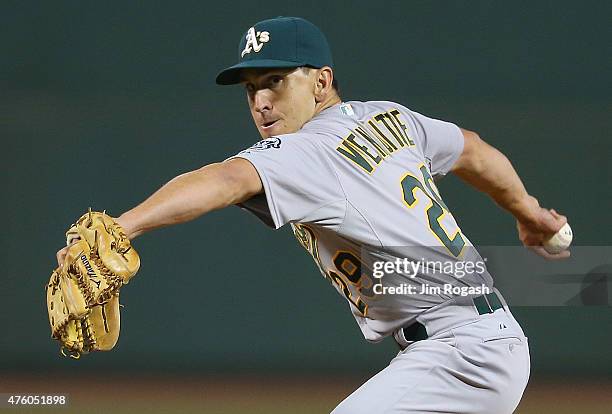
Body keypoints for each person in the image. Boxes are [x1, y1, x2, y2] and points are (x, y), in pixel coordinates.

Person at [57, 16, 569, 413]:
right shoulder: (389, 118)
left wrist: (123, 227)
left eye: (275, 81)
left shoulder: (309, 151)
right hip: (476, 344)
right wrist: (527, 211)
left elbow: (224, 179)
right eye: (250, 87)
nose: (260, 101)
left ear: (321, 82)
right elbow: (474, 151)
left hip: (461, 357)